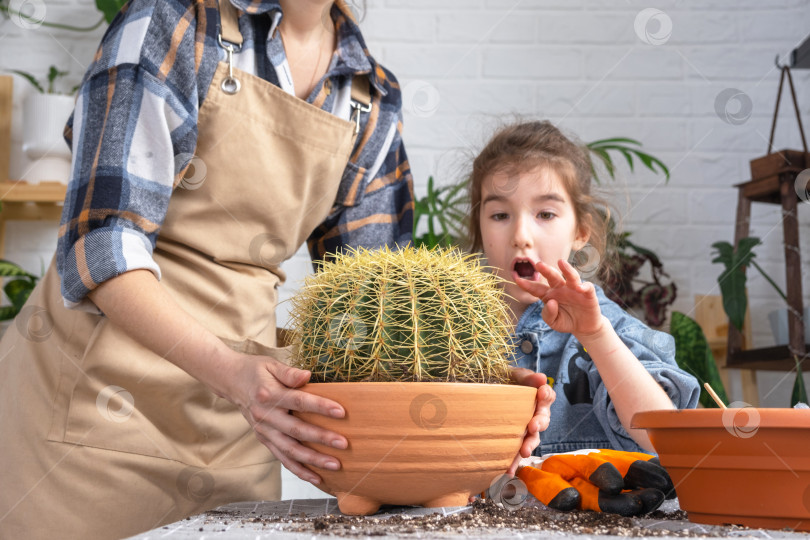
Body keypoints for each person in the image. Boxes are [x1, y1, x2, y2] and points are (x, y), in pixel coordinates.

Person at [0, 2, 553, 538]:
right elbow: (101, 243)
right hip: (94, 407)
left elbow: (380, 317)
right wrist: (233, 375)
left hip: (240, 424)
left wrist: (487, 391)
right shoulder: (176, 23)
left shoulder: (368, 95)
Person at [467, 120, 700, 456]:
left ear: (581, 232)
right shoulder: (447, 331)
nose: (520, 235)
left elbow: (663, 440)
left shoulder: (610, 328)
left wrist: (595, 336)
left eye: (545, 214)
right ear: (479, 228)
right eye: (500, 215)